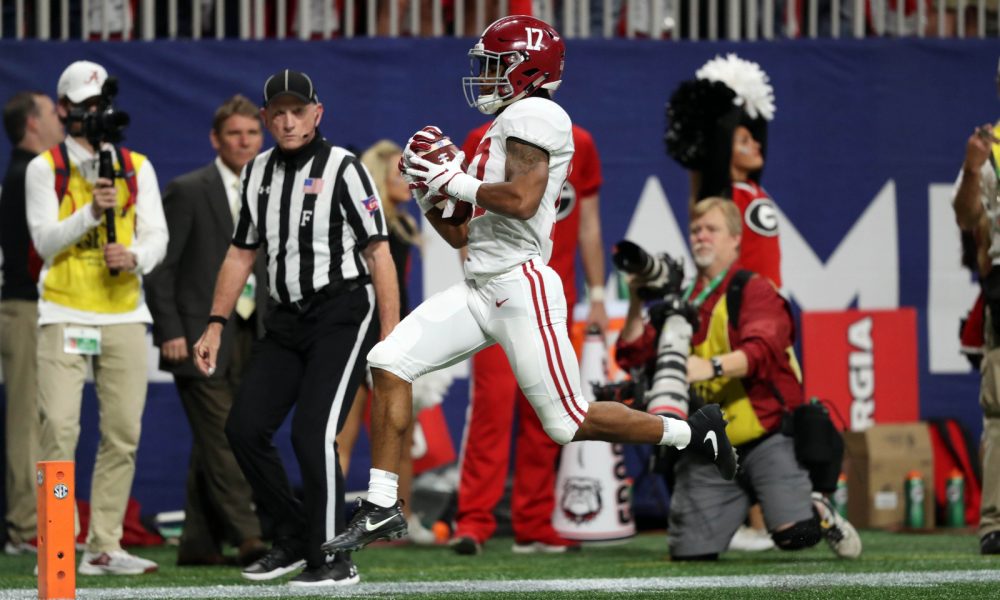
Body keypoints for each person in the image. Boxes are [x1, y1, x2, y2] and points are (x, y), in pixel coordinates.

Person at [322, 14, 736, 555]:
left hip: (521, 284)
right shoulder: (501, 128)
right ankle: (381, 506)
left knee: (567, 422)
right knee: (388, 361)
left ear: (527, 69)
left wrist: (453, 178)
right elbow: (460, 235)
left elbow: (522, 200)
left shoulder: (539, 114)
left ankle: (689, 431)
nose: (486, 77)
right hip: (480, 285)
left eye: (496, 65)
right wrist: (429, 192)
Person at [192, 69, 399, 587]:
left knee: (314, 434)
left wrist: (391, 333)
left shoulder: (346, 169)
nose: (288, 121)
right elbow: (241, 252)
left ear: (317, 113)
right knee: (243, 428)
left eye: (297, 111)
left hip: (342, 313)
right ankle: (289, 533)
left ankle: (333, 558)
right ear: (266, 119)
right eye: (278, 112)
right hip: (284, 317)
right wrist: (215, 323)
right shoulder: (257, 172)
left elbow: (379, 251)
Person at [614, 197, 861, 561]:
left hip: (766, 436)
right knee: (689, 554)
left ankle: (818, 510)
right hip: (709, 445)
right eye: (696, 230)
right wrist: (637, 300)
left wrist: (709, 367)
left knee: (796, 535)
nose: (701, 237)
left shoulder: (753, 289)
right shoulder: (681, 298)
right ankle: (734, 511)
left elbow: (764, 349)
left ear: (735, 239)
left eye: (711, 229)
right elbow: (632, 353)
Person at [25, 60, 167, 575]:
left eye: (99, 102)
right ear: (63, 109)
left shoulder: (136, 166)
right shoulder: (46, 169)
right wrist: (89, 213)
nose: (93, 112)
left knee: (123, 432)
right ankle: (56, 546)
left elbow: (157, 237)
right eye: (83, 105)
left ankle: (103, 545)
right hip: (63, 312)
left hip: (124, 313)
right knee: (60, 429)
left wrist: (135, 257)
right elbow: (43, 240)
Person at [448, 122, 607, 555]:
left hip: (555, 294)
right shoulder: (482, 134)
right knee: (492, 407)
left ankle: (534, 522)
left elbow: (588, 223)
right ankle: (474, 521)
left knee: (549, 412)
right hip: (499, 292)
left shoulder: (581, 141)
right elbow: (466, 219)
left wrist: (596, 295)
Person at [144, 94, 269, 567]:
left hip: (254, 332)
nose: (244, 141)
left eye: (252, 133)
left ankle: (197, 543)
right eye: (235, 133)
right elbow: (161, 269)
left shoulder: (270, 188)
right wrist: (170, 329)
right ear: (215, 139)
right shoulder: (189, 188)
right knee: (222, 435)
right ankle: (251, 536)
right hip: (197, 334)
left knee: (219, 437)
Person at [336, 139, 437, 546]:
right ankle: (325, 521)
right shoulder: (359, 223)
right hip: (360, 336)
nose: (407, 179)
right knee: (342, 439)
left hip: (397, 339)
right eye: (399, 171)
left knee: (401, 435)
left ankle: (402, 520)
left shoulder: (405, 224)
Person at [0, 90, 63, 555]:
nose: (61, 120)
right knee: (27, 421)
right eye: (51, 113)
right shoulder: (28, 175)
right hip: (22, 308)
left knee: (39, 418)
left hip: (29, 306)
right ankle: (24, 527)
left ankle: (33, 523)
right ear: (32, 124)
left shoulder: (25, 173)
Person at [665, 53, 782, 288]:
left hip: (769, 299)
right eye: (745, 141)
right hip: (737, 303)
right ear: (726, 150)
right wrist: (721, 98)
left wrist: (748, 95)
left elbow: (759, 128)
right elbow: (720, 134)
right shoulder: (720, 196)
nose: (756, 144)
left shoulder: (752, 188)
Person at [951, 108, 1000, 556]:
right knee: (999, 409)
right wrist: (972, 165)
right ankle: (996, 522)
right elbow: (967, 218)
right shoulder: (989, 147)